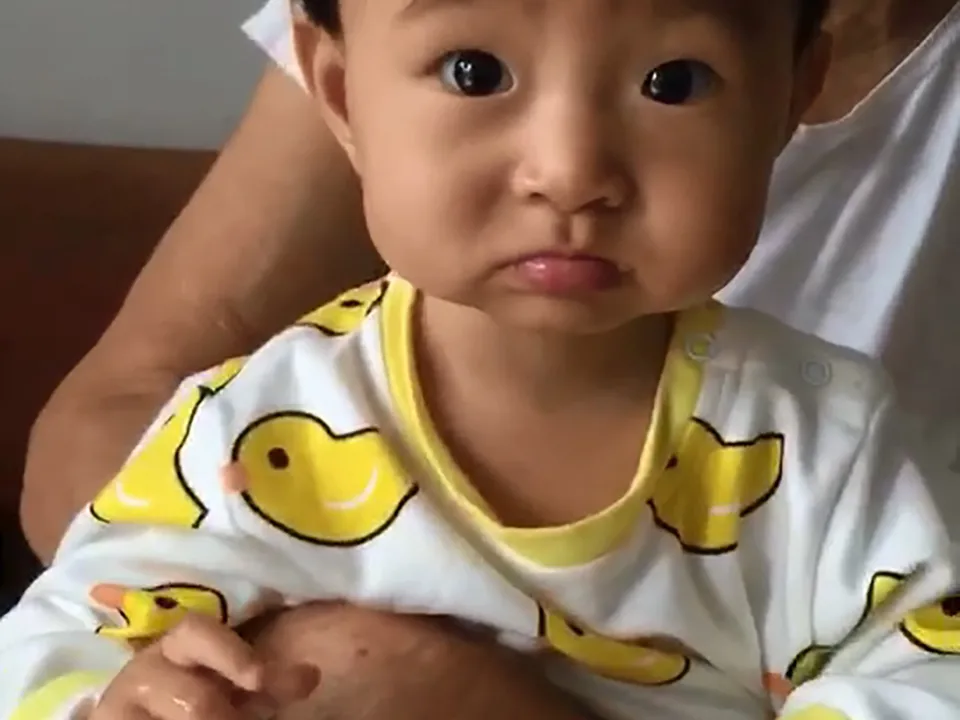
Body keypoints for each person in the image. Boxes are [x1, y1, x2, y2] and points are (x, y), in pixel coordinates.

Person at [4, 2, 960, 720]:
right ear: (338, 92)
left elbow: (925, 675)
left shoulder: (830, 446)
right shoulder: (247, 430)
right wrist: (113, 698)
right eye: (475, 72)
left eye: (673, 82)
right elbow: (58, 637)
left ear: (788, 99)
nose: (570, 170)